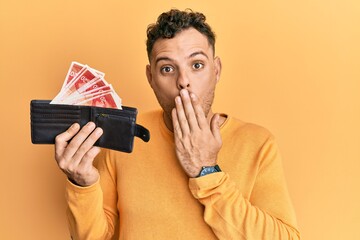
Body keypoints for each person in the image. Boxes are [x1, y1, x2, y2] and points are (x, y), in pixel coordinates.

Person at [54, 9, 301, 240]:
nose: (184, 82)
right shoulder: (126, 137)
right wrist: (82, 185)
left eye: (197, 65)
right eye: (167, 68)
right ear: (150, 77)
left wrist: (207, 171)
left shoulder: (257, 143)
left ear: (216, 70)